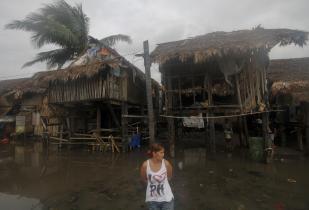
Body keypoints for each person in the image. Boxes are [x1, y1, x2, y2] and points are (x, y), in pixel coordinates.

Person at [140, 143, 174, 210]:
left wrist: (160, 183)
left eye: (163, 152)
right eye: (161, 152)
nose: (163, 155)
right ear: (154, 153)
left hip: (166, 199)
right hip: (152, 200)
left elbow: (169, 177)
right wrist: (154, 183)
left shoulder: (166, 164)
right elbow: (144, 179)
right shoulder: (145, 165)